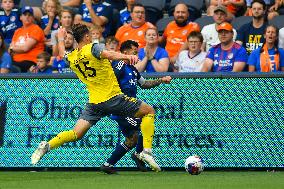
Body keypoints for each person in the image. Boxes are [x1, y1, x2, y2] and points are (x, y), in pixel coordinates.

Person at [31, 24, 162, 172]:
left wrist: (60, 39)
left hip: (94, 104)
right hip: (112, 98)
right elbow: (109, 54)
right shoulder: (92, 48)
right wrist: (127, 56)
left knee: (76, 134)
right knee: (149, 111)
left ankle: (48, 145)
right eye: (91, 35)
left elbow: (62, 53)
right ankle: (146, 152)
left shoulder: (72, 57)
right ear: (87, 37)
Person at [101, 40, 172, 174]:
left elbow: (144, 84)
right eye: (134, 51)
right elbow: (109, 81)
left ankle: (108, 164)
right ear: (125, 53)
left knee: (132, 139)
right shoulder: (120, 64)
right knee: (144, 125)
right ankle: (139, 154)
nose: (137, 54)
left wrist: (161, 80)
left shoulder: (133, 69)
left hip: (130, 109)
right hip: (121, 109)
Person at [8, 6, 45, 73]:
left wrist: (13, 48)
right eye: (25, 15)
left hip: (30, 61)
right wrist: (13, 48)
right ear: (20, 17)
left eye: (30, 15)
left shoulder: (36, 29)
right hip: (15, 61)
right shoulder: (17, 31)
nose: (27, 17)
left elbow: (25, 48)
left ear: (33, 18)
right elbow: (11, 49)